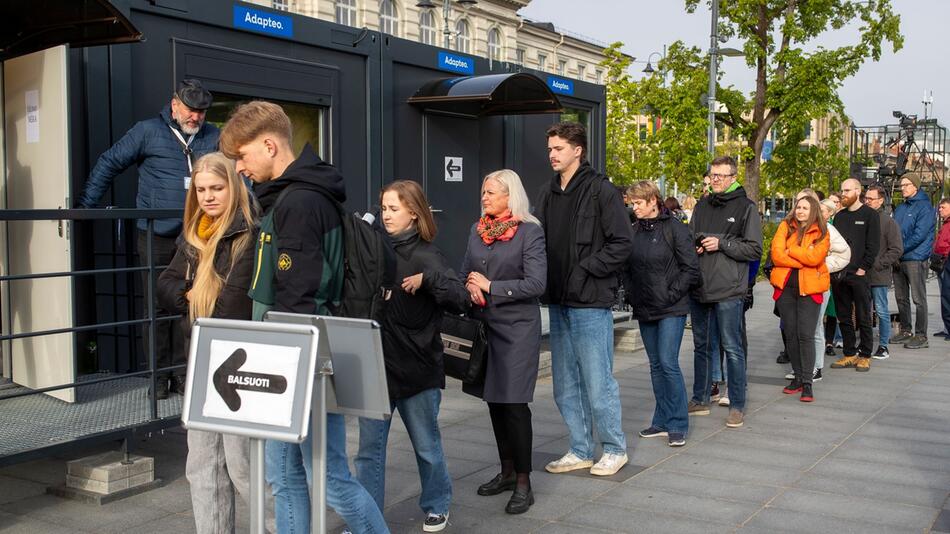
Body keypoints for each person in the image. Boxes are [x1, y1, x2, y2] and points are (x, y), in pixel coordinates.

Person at [219, 101, 387, 534]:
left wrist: (282, 368)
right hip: (292, 356)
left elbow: (299, 296)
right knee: (287, 476)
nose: (240, 167)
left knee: (326, 478)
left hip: (298, 359)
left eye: (243, 155)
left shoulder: (300, 203)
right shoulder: (292, 197)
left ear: (270, 145)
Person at [79, 79, 219, 399]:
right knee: (156, 308)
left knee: (190, 305)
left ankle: (183, 376)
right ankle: (158, 377)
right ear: (174, 105)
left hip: (197, 237)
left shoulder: (213, 136)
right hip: (155, 235)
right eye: (190, 109)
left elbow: (235, 176)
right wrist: (86, 208)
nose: (196, 117)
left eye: (201, 111)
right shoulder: (147, 130)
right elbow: (110, 162)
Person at [156, 152, 273, 534]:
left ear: (234, 188)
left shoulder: (249, 233)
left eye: (217, 188)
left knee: (244, 467)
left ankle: (282, 528)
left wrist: (193, 297)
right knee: (202, 468)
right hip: (201, 360)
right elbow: (165, 284)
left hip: (238, 363)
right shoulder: (193, 233)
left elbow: (231, 306)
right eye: (201, 189)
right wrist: (191, 293)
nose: (207, 197)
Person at [353, 180, 467, 532]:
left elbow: (461, 298)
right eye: (384, 208)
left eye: (394, 209)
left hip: (417, 369)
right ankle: (367, 520)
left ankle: (436, 504)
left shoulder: (427, 255)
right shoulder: (376, 250)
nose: (386, 215)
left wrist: (428, 279)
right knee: (369, 453)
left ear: (414, 214)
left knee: (426, 447)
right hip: (376, 368)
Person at [534, 122, 633, 477]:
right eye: (550, 149)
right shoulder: (547, 192)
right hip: (558, 300)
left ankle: (614, 447)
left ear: (578, 150)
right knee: (565, 382)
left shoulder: (601, 190)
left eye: (558, 148)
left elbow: (622, 243)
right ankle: (579, 448)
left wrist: (586, 268)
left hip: (590, 300)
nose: (552, 155)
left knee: (597, 379)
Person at [461, 170, 546, 514]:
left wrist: (492, 287)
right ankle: (507, 472)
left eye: (491, 192)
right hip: (486, 327)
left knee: (513, 405)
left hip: (517, 330)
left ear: (510, 196)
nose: (484, 197)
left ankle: (524, 482)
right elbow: (466, 270)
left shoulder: (530, 232)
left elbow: (537, 284)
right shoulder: (477, 230)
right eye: (483, 192)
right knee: (494, 402)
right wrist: (469, 286)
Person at [687, 156, 763, 429]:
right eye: (713, 174)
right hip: (700, 286)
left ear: (733, 177)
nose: (715, 178)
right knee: (701, 346)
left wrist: (722, 243)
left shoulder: (746, 207)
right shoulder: (702, 204)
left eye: (721, 175)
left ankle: (737, 404)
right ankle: (700, 396)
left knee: (732, 347)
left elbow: (754, 249)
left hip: (729, 289)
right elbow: (690, 235)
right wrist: (695, 243)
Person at [623, 181, 700, 446]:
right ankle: (662, 419)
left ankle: (678, 422)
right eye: (632, 204)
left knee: (668, 363)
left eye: (638, 203)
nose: (635, 209)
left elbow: (691, 268)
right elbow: (626, 268)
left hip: (671, 307)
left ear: (653, 201)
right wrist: (632, 293)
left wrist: (670, 293)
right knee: (656, 366)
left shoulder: (676, 229)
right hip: (645, 306)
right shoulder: (632, 231)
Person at [770, 196, 830, 402]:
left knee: (806, 334)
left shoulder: (822, 231)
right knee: (791, 334)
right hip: (786, 289)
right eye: (799, 207)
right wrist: (803, 258)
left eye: (805, 208)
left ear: (813, 211)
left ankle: (807, 382)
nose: (801, 211)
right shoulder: (785, 227)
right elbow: (777, 255)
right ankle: (797, 375)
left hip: (810, 290)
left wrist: (792, 250)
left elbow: (815, 258)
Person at [829, 178, 880, 373]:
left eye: (848, 190)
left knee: (863, 315)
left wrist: (863, 268)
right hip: (840, 274)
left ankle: (865, 355)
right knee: (843, 316)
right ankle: (849, 353)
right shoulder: (840, 216)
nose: (844, 193)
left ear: (858, 192)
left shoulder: (870, 215)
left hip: (859, 274)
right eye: (842, 190)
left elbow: (873, 245)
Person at [891, 176, 936, 349]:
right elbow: (894, 231)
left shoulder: (925, 207)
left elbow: (919, 235)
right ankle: (906, 330)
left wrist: (898, 250)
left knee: (918, 298)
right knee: (901, 298)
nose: (902, 188)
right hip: (899, 258)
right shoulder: (901, 207)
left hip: (915, 258)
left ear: (915, 186)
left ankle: (921, 335)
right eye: (901, 185)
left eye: (906, 185)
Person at [864, 185, 903, 359]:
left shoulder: (888, 222)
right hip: (862, 273)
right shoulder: (863, 218)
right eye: (866, 198)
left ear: (880, 201)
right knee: (863, 311)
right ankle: (864, 345)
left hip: (879, 274)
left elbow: (896, 249)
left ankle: (883, 346)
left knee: (881, 310)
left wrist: (880, 263)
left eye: (871, 198)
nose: (867, 201)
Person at [933, 198, 950, 339]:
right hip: (940, 262)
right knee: (944, 296)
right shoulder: (945, 224)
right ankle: (947, 328)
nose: (940, 210)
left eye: (943, 207)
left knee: (947, 296)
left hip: (946, 262)